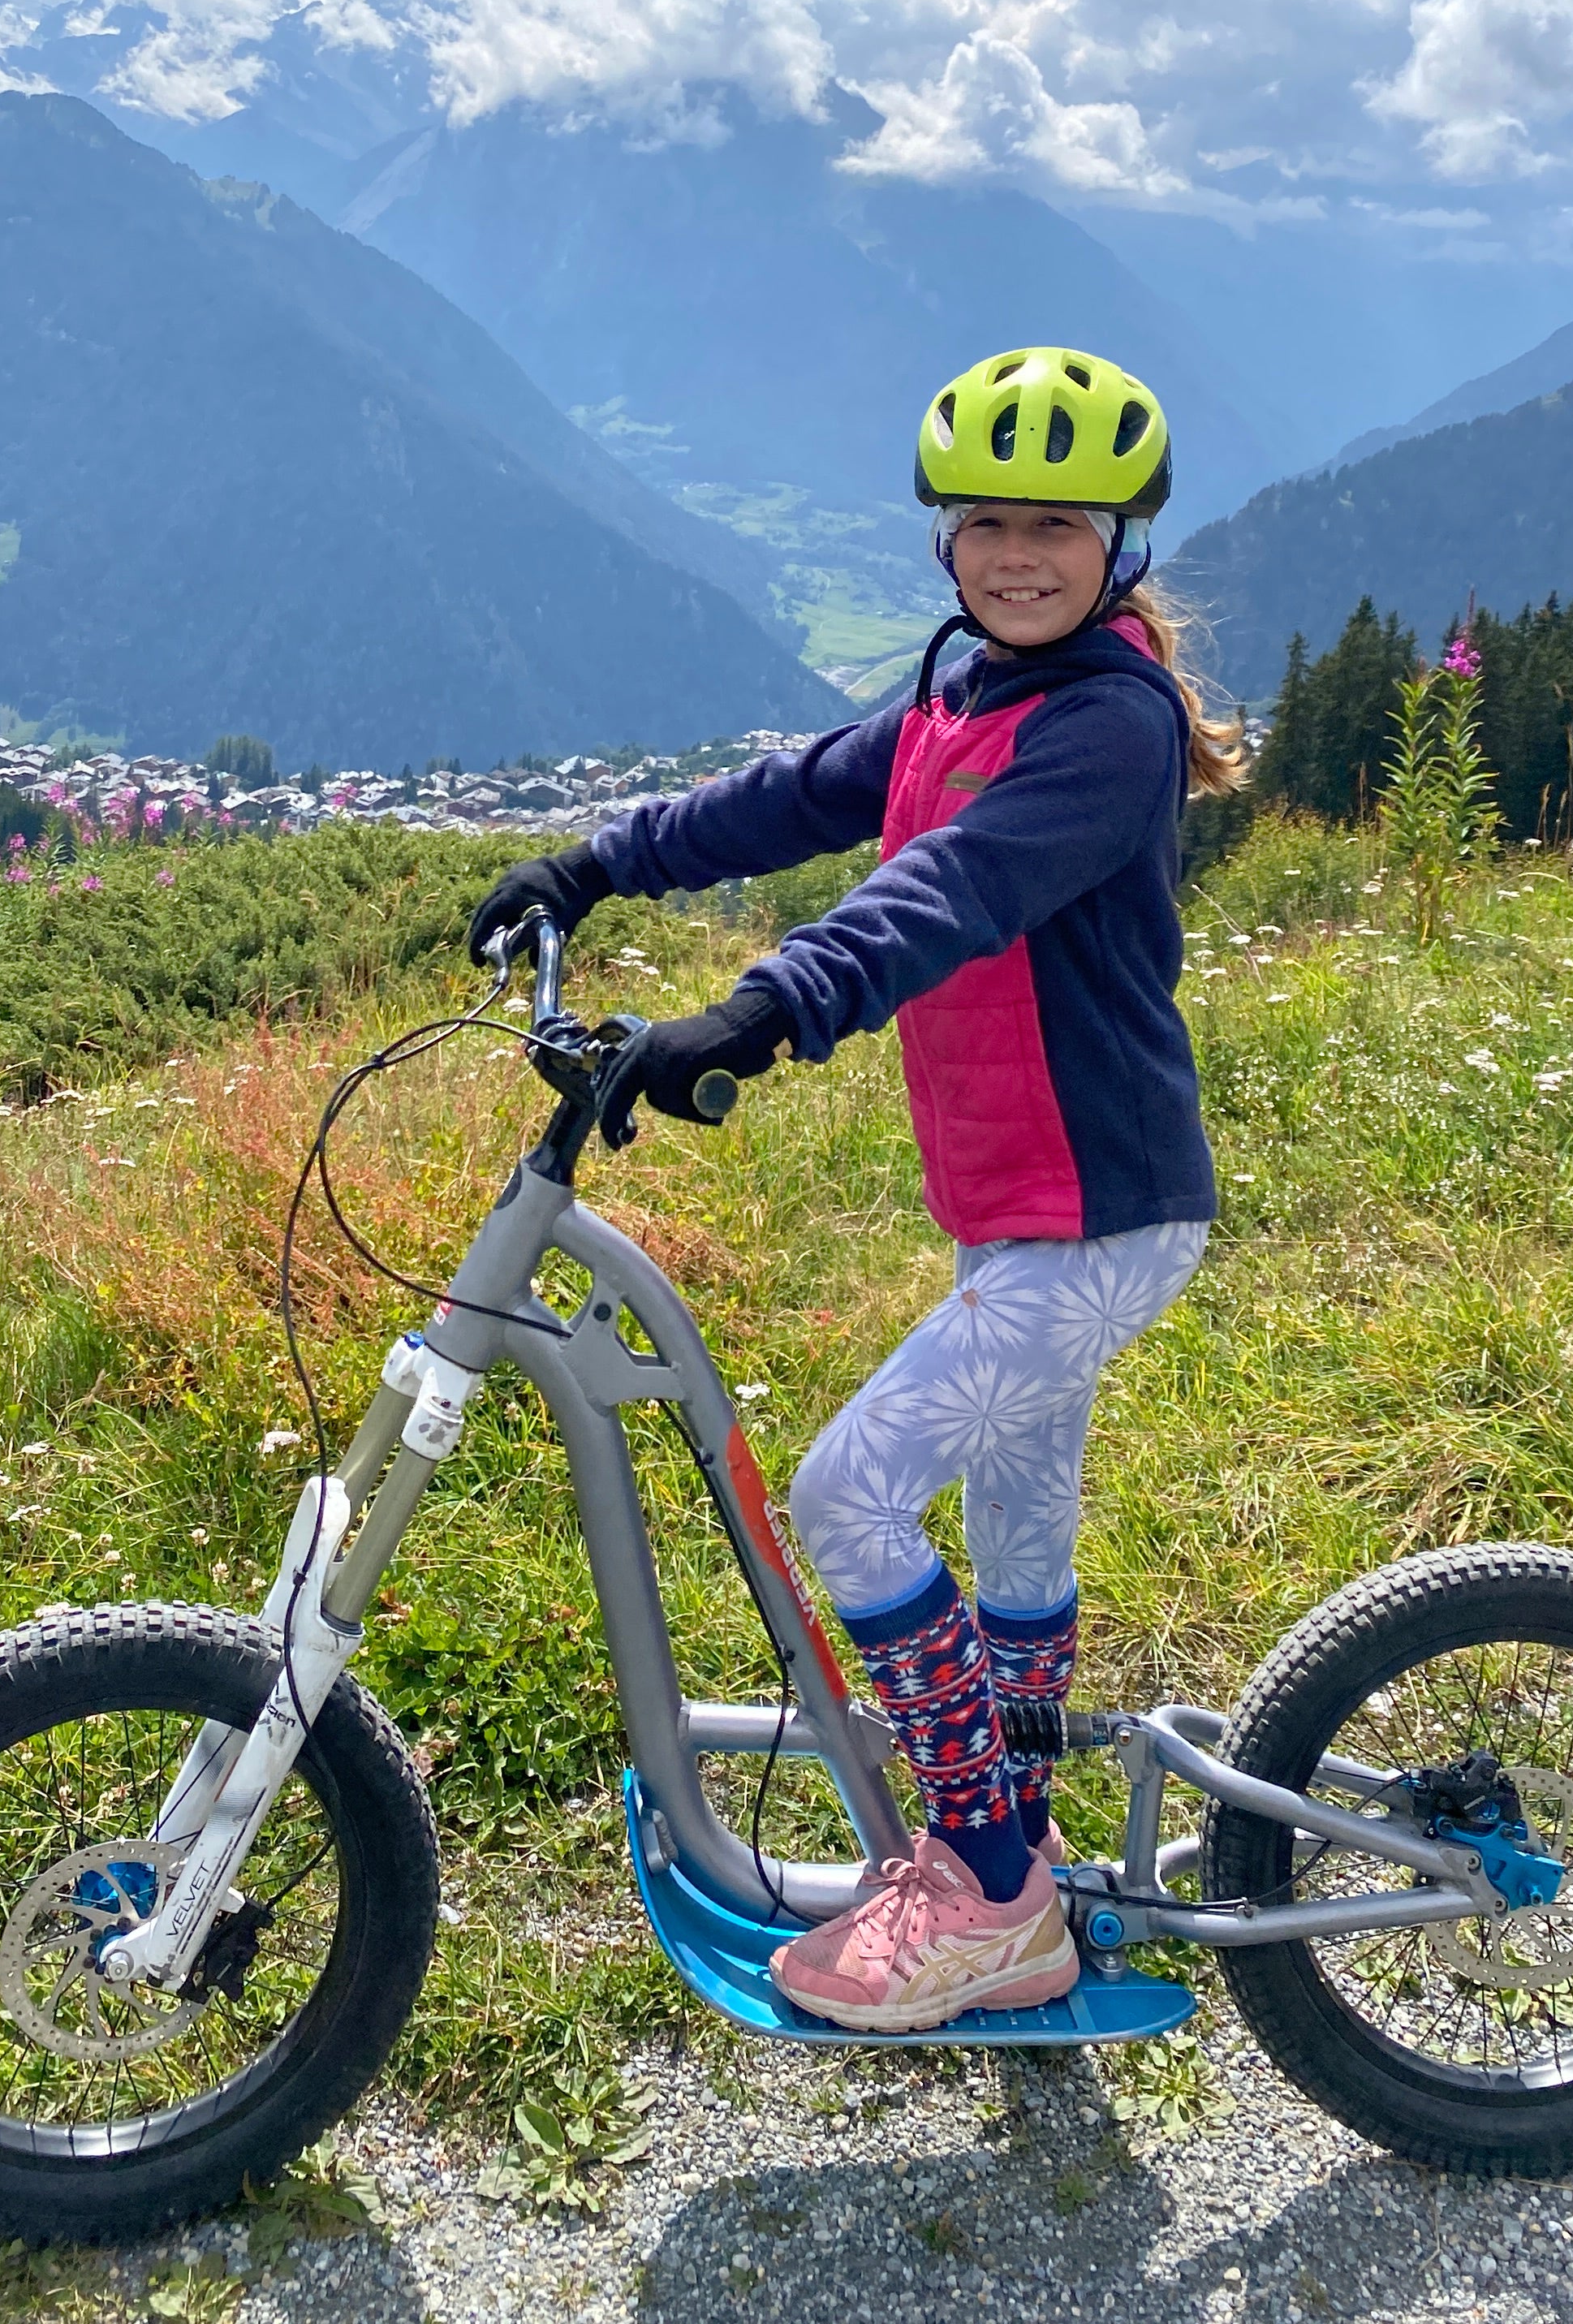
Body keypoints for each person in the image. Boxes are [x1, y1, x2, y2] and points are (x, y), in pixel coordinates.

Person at [464, 344, 1239, 2033]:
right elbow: (787, 795)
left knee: (848, 1499)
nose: (1019, 554)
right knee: (1020, 1551)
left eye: (1061, 525)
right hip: (1027, 1213)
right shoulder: (963, 696)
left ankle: (987, 1894)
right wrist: (594, 862)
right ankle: (1012, 1815)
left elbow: (951, 891)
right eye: (986, 523)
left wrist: (768, 1005)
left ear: (1127, 547)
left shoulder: (1108, 728)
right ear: (944, 540)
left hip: (1105, 1219)